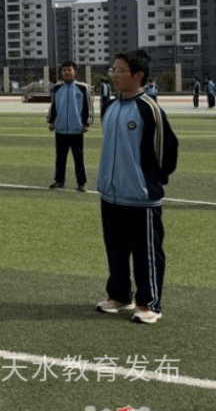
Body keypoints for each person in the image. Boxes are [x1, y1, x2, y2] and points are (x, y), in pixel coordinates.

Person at [95, 49, 178, 324]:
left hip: (141, 197)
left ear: (138, 75)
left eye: (120, 70)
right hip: (111, 194)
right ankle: (119, 295)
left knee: (146, 253)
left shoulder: (149, 109)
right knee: (115, 250)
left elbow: (166, 151)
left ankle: (149, 303)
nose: (114, 75)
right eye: (113, 70)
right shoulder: (110, 107)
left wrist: (151, 181)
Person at [46, 61, 92, 191]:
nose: (66, 72)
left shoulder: (82, 88)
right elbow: (53, 106)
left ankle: (81, 183)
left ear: (74, 72)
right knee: (60, 157)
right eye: (64, 70)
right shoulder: (56, 88)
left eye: (69, 70)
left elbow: (88, 106)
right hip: (60, 129)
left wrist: (86, 123)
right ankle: (59, 180)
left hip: (76, 129)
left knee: (78, 157)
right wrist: (51, 121)